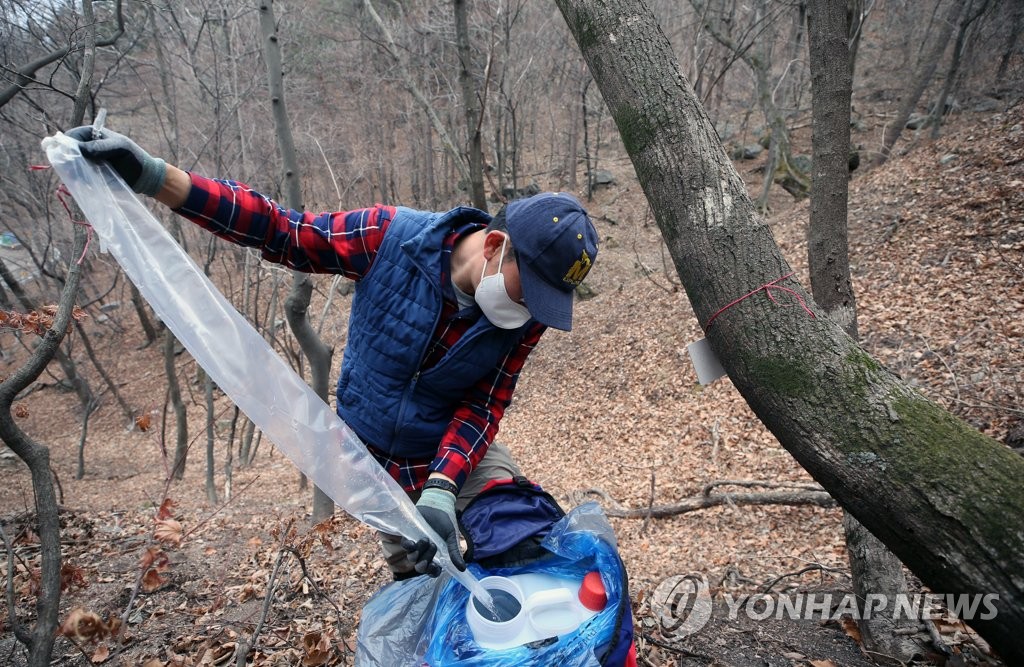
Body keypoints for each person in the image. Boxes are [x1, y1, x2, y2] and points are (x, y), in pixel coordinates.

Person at [66, 125, 599, 579]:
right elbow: (282, 231)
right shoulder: (390, 237)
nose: (531, 310)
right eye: (528, 288)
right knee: (424, 584)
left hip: (454, 453)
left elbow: (484, 405)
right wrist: (155, 177)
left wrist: (442, 485)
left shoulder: (522, 319)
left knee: (521, 539)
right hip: (372, 463)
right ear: (492, 246)